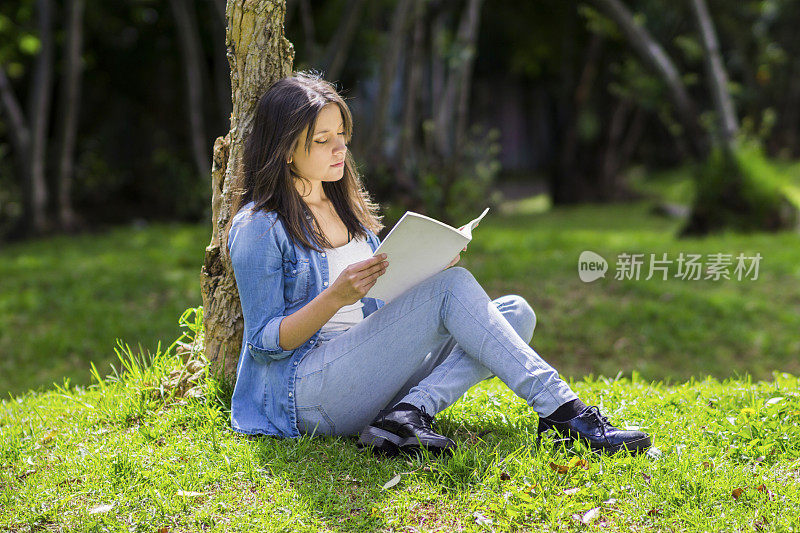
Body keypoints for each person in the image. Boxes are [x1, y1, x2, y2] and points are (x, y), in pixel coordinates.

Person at [225, 70, 651, 457]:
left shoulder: (342, 206)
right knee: (454, 289)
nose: (340, 148)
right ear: (284, 150)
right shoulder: (260, 226)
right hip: (308, 393)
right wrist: (336, 297)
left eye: (342, 134)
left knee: (514, 313)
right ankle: (564, 413)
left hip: (370, 375)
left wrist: (425, 265)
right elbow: (264, 341)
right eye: (322, 140)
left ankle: (407, 414)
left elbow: (384, 306)